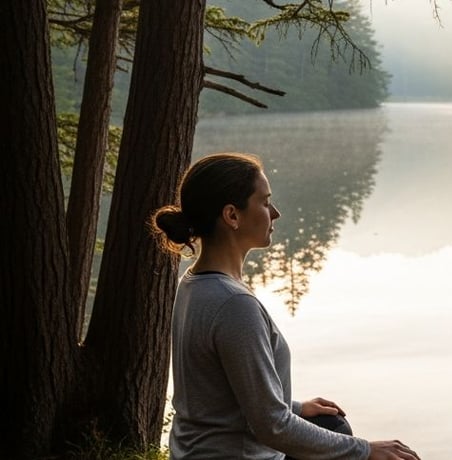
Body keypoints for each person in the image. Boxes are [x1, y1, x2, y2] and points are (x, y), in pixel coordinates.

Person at [152, 153, 419, 460]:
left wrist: (295, 407)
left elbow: (218, 397)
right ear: (232, 216)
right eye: (265, 202)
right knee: (367, 451)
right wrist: (367, 450)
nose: (275, 213)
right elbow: (272, 427)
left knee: (330, 423)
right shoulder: (234, 304)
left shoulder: (195, 283)